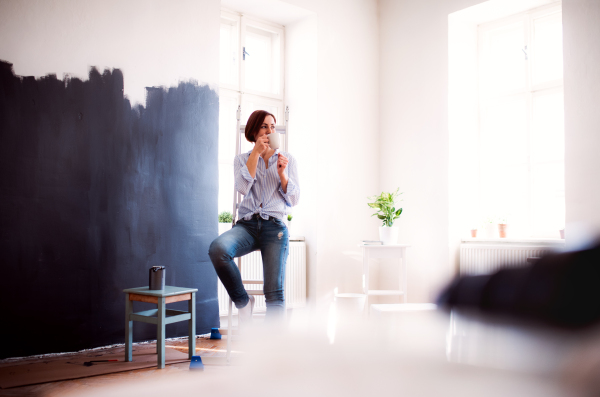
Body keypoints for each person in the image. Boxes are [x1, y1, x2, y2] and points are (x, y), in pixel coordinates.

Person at [209, 110, 300, 325]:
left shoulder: (288, 160)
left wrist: (283, 175)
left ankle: (272, 352)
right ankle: (243, 302)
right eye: (264, 127)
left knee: (274, 293)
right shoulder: (241, 159)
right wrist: (255, 155)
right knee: (218, 249)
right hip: (247, 226)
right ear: (254, 132)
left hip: (275, 227)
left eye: (273, 127)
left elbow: (294, 200)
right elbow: (241, 188)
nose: (270, 132)